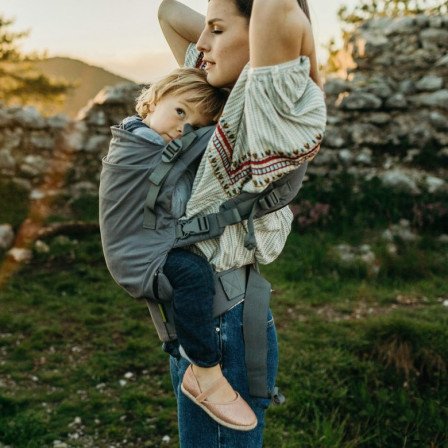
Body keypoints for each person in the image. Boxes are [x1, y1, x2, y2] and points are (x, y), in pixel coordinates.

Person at [157, 0, 327, 446]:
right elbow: (168, 11)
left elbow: (271, 12)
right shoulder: (229, 97)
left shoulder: (268, 109)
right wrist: (221, 32)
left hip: (221, 325)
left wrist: (257, 37)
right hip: (202, 321)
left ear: (257, 37)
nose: (201, 44)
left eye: (216, 30)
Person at [112, 67, 258, 430]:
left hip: (148, 246)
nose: (182, 129)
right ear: (155, 98)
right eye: (180, 112)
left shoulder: (153, 139)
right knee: (194, 275)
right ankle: (204, 371)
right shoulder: (139, 138)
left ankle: (181, 346)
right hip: (140, 254)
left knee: (189, 276)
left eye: (194, 125)